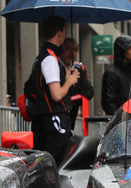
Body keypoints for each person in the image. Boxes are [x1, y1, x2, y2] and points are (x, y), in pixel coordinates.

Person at [25, 16, 80, 164]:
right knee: (54, 167)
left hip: (44, 122)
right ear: (59, 33)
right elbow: (56, 95)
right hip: (55, 123)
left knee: (45, 166)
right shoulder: (50, 59)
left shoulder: (42, 57)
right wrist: (68, 82)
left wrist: (65, 77)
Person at [101, 36, 131, 115]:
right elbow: (108, 103)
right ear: (122, 51)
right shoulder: (111, 73)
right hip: (121, 122)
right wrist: (121, 118)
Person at [61, 37, 93, 127]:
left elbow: (89, 92)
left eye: (74, 50)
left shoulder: (79, 68)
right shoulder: (55, 66)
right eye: (67, 49)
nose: (71, 53)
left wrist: (71, 100)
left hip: (72, 116)